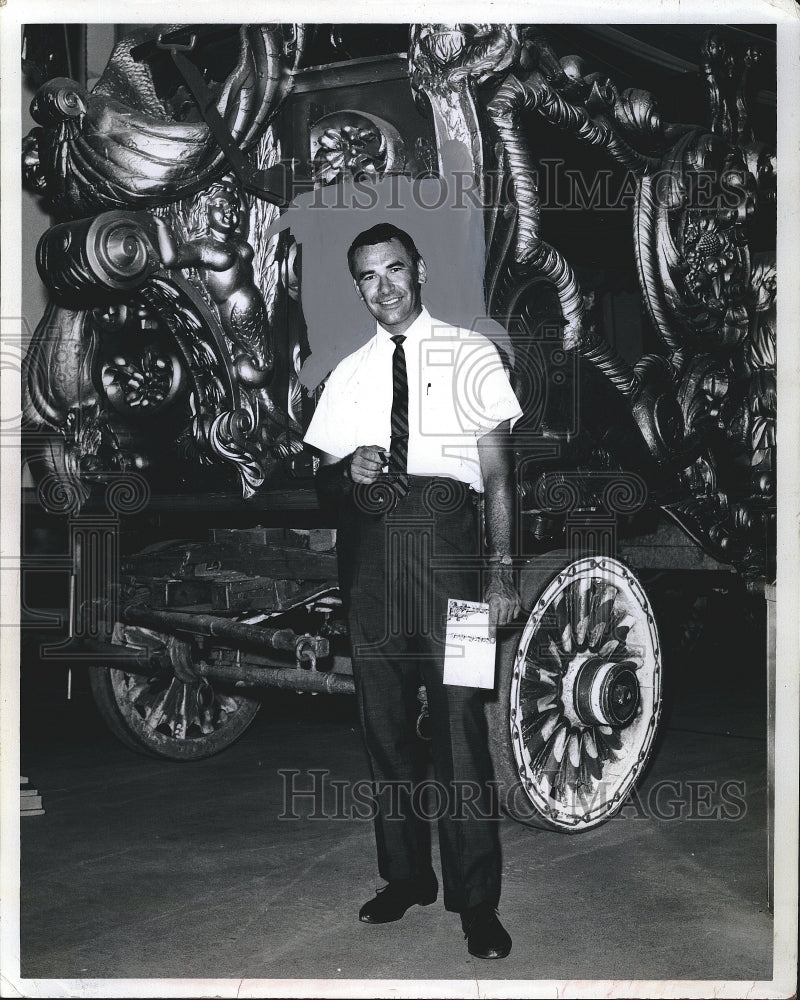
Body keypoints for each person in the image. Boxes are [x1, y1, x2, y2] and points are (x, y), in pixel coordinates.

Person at [303, 223, 522, 960]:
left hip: (451, 553)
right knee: (385, 727)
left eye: (395, 269)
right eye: (368, 276)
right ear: (358, 285)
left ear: (419, 271)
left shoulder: (470, 353)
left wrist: (500, 571)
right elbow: (320, 483)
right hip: (369, 566)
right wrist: (345, 472)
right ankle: (406, 879)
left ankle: (475, 903)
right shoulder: (348, 374)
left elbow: (495, 474)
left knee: (461, 727)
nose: (384, 287)